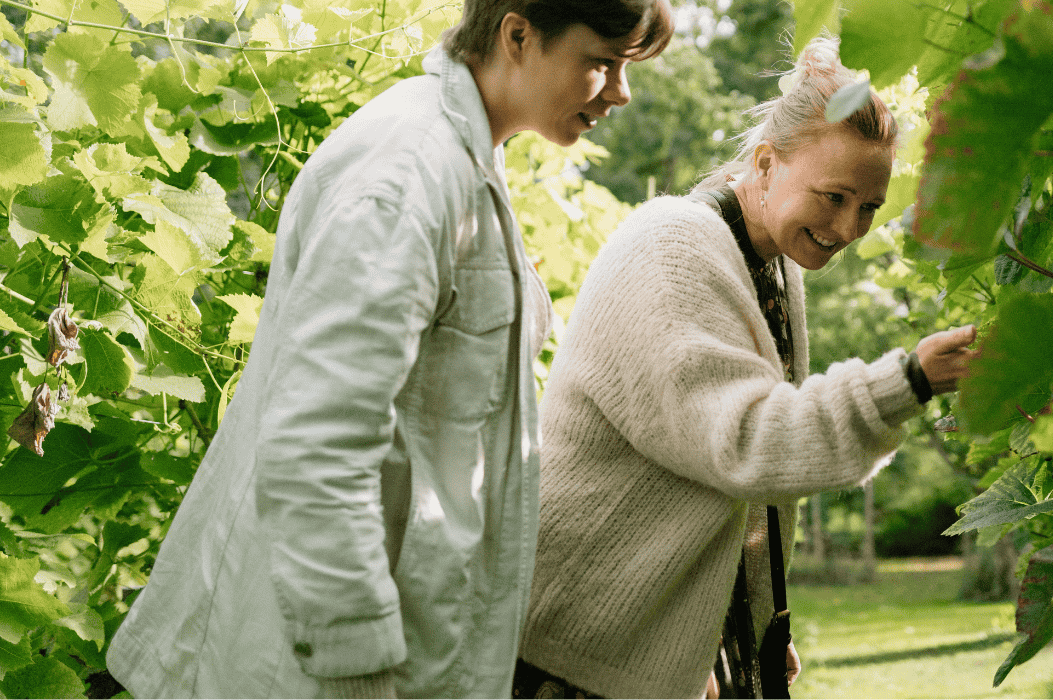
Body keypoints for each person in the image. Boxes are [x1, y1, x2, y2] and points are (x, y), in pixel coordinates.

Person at [105, 1, 671, 697]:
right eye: (603, 63)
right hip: (311, 670)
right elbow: (318, 446)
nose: (621, 92)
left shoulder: (462, 162)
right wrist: (356, 662)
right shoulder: (404, 176)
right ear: (518, 34)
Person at [515, 38, 980, 699]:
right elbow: (750, 441)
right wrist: (908, 382)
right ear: (767, 163)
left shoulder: (772, 265)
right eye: (835, 197)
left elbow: (747, 504)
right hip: (570, 651)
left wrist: (750, 630)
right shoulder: (672, 251)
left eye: (869, 207)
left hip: (643, 648)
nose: (849, 228)